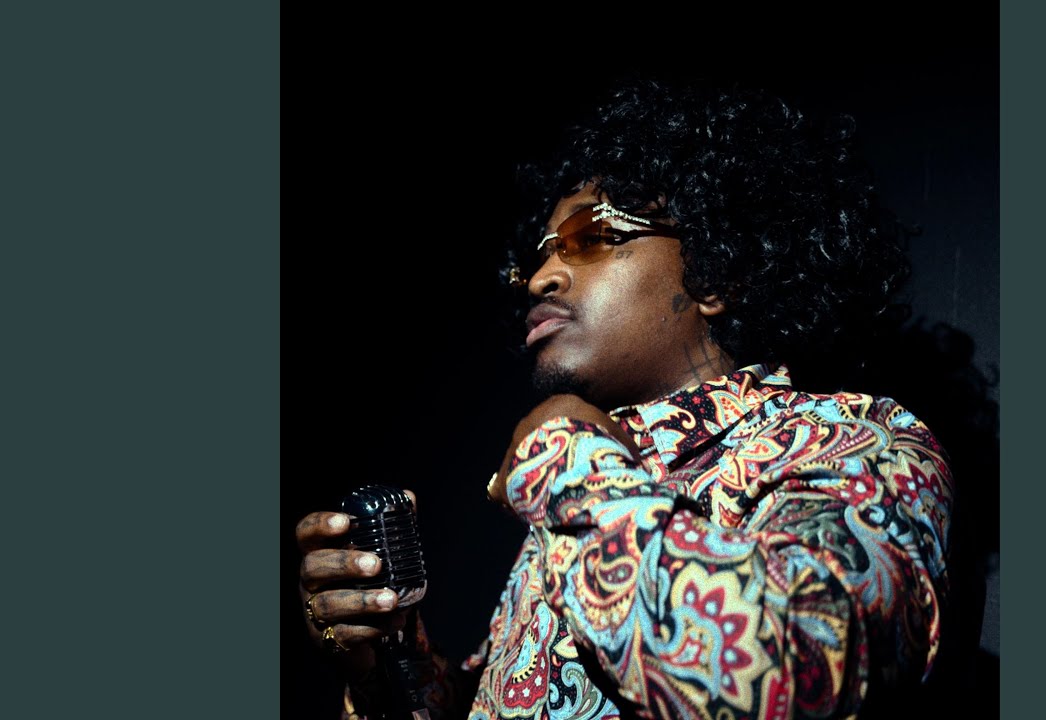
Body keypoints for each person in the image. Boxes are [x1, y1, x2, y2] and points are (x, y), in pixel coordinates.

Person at [295, 76, 956, 719]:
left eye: (591, 238)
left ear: (715, 273)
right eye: (539, 256)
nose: (541, 277)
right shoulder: (590, 484)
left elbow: (791, 676)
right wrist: (389, 668)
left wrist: (565, 456)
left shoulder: (857, 439)